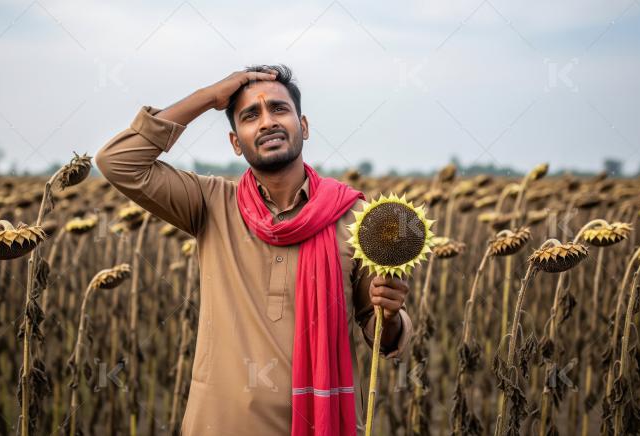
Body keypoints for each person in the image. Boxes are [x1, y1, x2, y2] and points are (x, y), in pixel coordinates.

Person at [95, 64, 414, 436]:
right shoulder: (211, 203)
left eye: (279, 109)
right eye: (250, 116)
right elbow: (118, 162)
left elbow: (379, 334)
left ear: (304, 126)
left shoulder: (354, 219)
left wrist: (390, 317)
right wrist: (208, 96)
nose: (267, 123)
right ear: (235, 142)